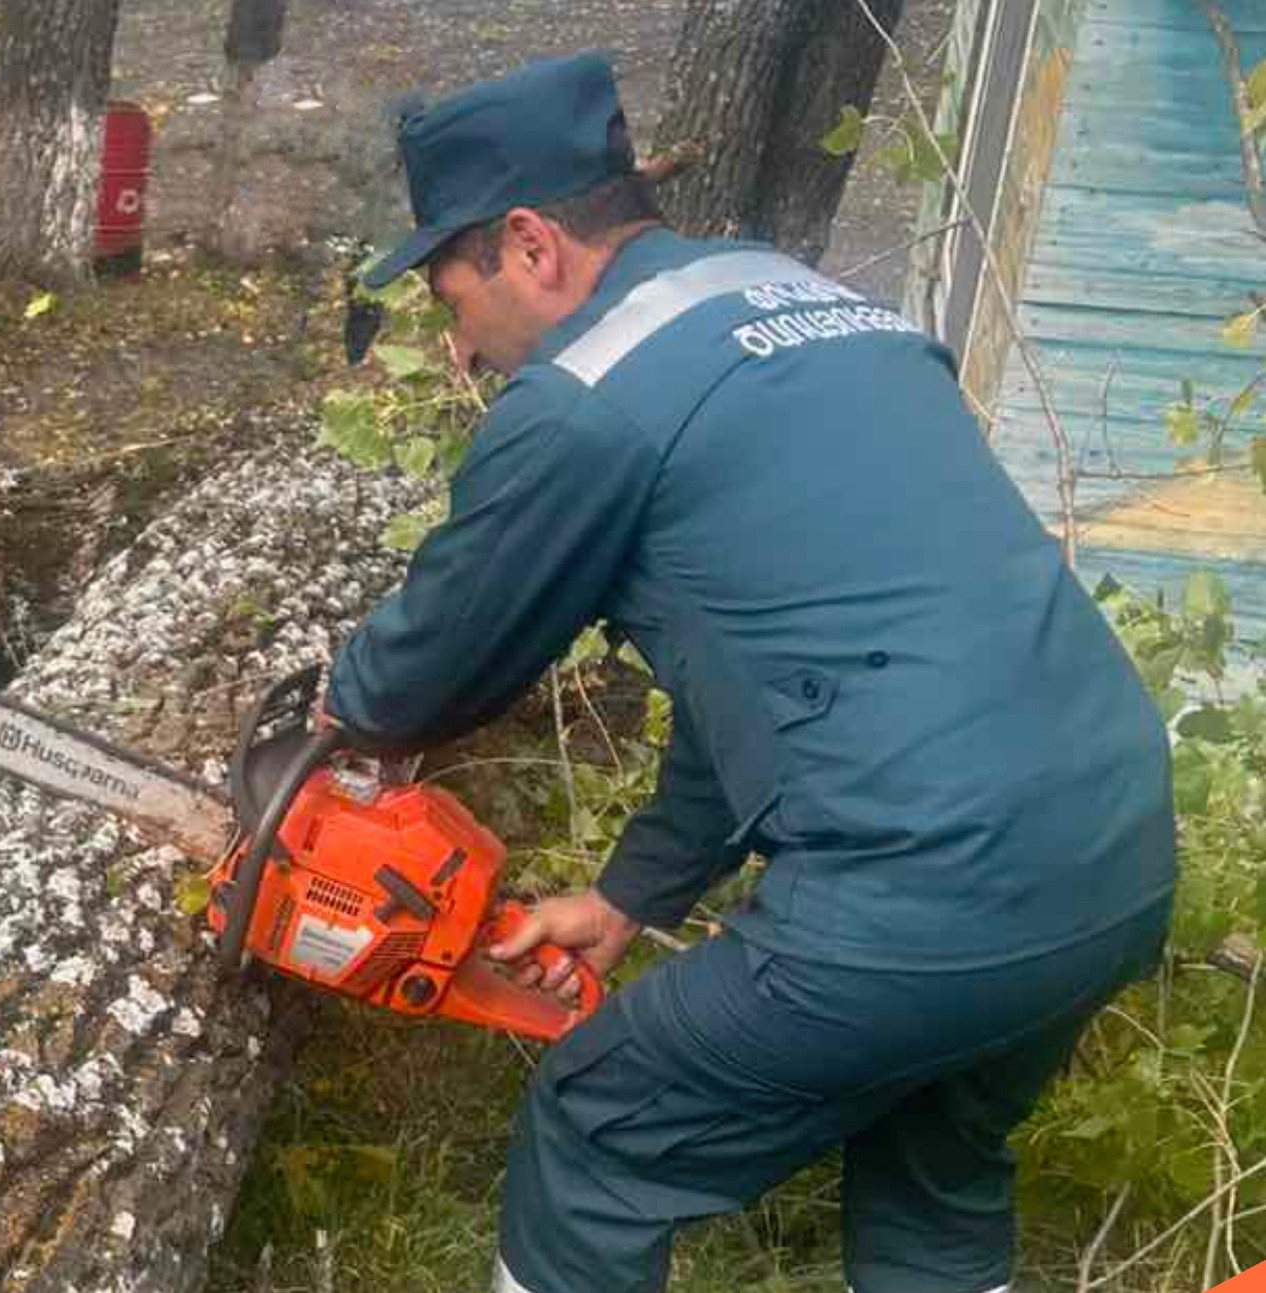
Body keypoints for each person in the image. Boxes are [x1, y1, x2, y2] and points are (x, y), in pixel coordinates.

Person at [321, 51, 1177, 1293]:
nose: (460, 350)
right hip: (1112, 855)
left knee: (600, 1122)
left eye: (452, 300)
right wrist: (629, 895)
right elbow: (784, 670)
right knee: (930, 1165)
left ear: (528, 246)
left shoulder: (589, 395)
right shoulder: (811, 308)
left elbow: (424, 677)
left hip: (924, 887)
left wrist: (330, 711)